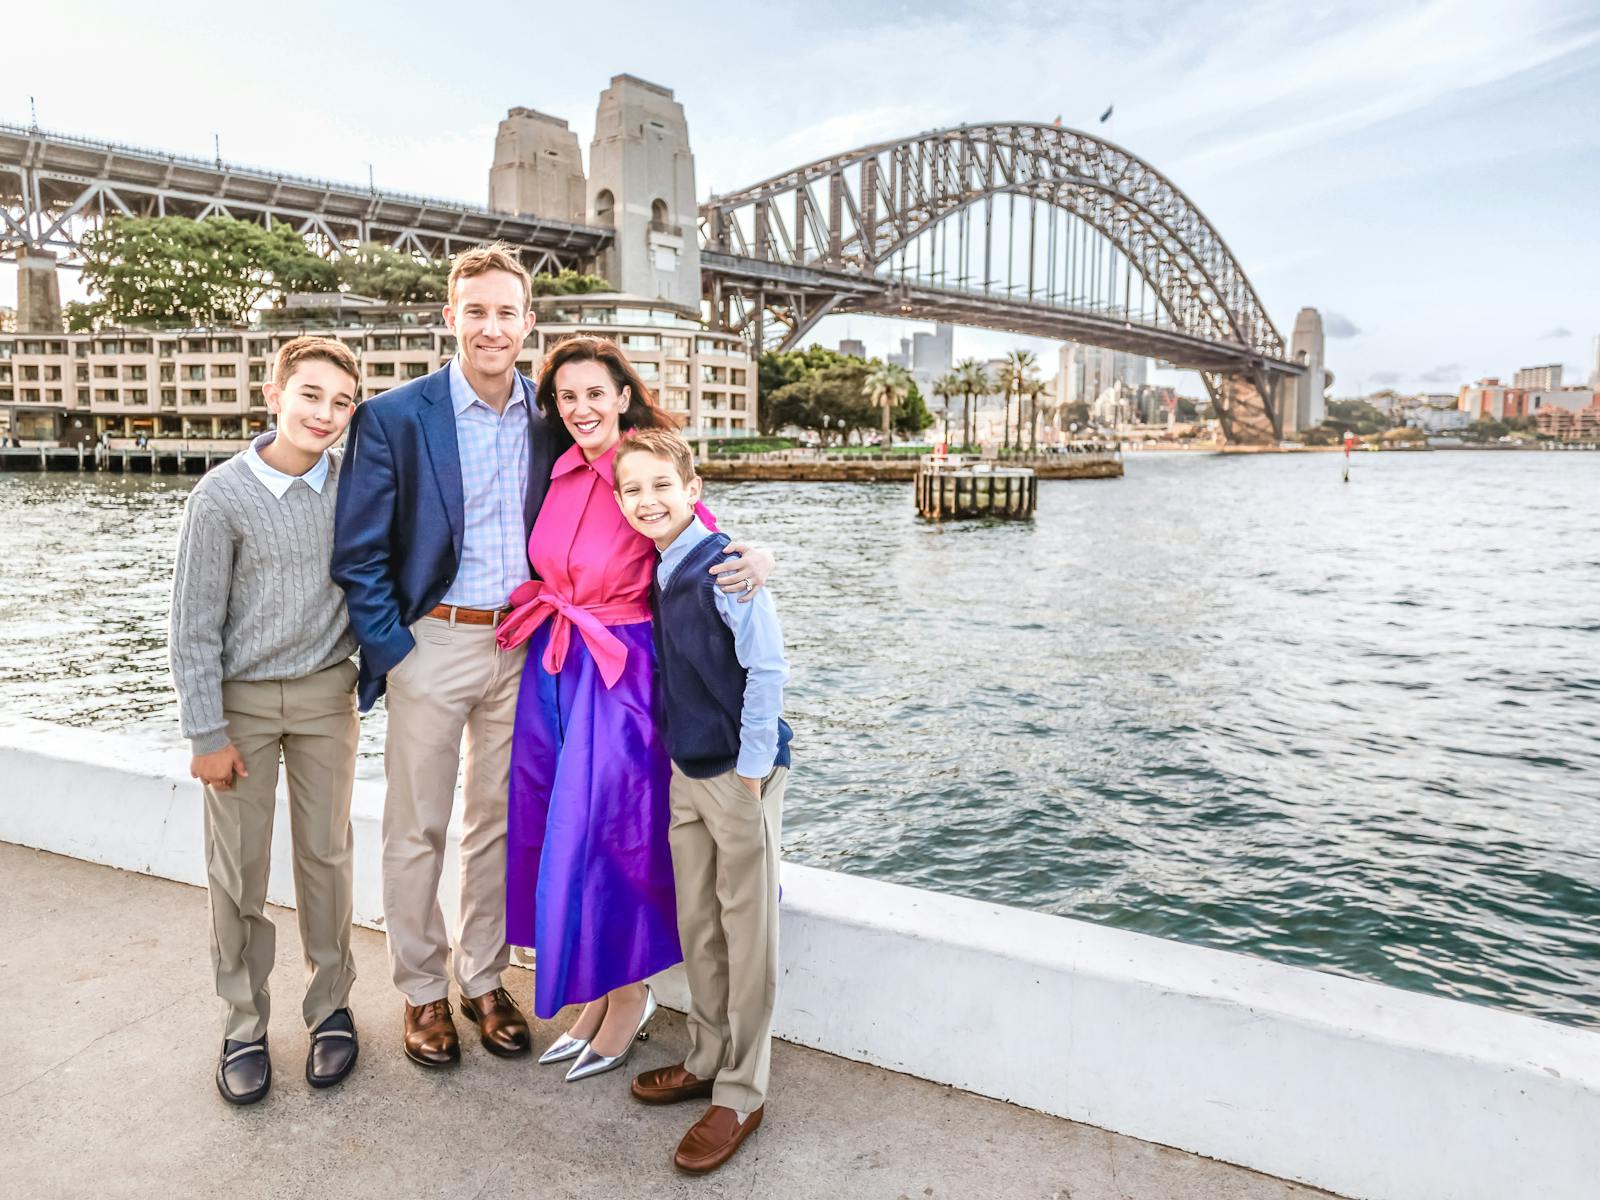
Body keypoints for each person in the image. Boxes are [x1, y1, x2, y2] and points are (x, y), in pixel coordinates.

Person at [332, 246, 767, 1069]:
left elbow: (663, 502)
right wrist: (397, 649)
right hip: (436, 641)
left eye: (507, 312)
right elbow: (358, 552)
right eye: (476, 311)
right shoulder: (395, 417)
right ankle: (422, 992)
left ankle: (483, 979)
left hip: (528, 648)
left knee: (498, 824)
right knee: (416, 827)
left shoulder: (549, 417)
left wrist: (754, 557)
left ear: (527, 323)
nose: (491, 327)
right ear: (451, 317)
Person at [494, 336, 772, 1085]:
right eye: (567, 396)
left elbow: (704, 539)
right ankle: (597, 989)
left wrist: (760, 558)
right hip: (555, 665)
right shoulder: (555, 472)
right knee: (557, 831)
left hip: (621, 675)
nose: (581, 408)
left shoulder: (640, 468)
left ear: (623, 396)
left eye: (596, 393)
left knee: (611, 837)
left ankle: (629, 995)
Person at [169, 336, 364, 1105]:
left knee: (326, 856)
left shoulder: (355, 486)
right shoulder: (220, 496)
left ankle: (331, 1007)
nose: (324, 413)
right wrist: (205, 732)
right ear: (274, 395)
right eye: (310, 394)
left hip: (325, 695)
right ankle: (244, 1023)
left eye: (341, 402)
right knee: (238, 869)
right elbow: (192, 625)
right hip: (240, 704)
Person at [613, 429, 792, 1175]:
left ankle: (743, 1092)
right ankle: (708, 1056)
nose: (647, 500)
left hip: (736, 775)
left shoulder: (724, 568)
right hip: (688, 770)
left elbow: (767, 667)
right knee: (700, 921)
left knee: (747, 934)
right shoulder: (663, 564)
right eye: (632, 489)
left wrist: (750, 772)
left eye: (662, 485)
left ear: (693, 490)